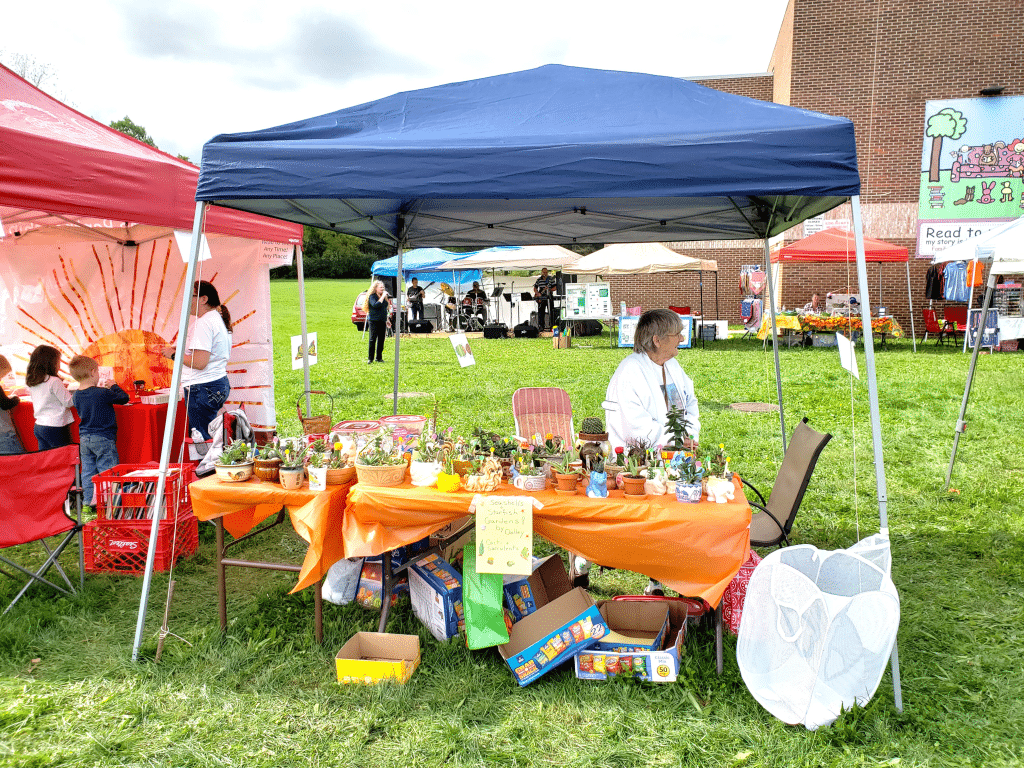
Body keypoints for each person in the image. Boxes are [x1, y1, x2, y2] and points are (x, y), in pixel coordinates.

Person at [587, 309, 701, 595]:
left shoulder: (673, 367)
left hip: (672, 455)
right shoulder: (630, 371)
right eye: (677, 334)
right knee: (642, 522)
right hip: (634, 461)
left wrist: (688, 435)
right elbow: (635, 426)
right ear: (657, 340)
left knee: (668, 519)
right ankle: (586, 559)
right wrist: (676, 440)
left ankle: (657, 576)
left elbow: (689, 404)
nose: (682, 338)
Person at [161, 280, 232, 440]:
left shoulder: (204, 323)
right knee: (211, 436)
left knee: (201, 439)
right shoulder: (215, 318)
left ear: (204, 299)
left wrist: (173, 355)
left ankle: (208, 458)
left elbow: (199, 362)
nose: (186, 302)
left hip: (202, 387)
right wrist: (181, 350)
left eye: (190, 296)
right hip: (215, 384)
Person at [69, 355, 129, 509]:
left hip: (85, 438)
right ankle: (111, 505)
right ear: (92, 372)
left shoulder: (76, 395)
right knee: (108, 470)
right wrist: (114, 385)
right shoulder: (101, 393)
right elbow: (124, 398)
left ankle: (88, 504)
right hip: (103, 437)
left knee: (88, 472)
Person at [26, 344, 74, 450]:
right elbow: (69, 402)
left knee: (46, 458)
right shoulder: (54, 381)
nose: (59, 365)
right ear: (51, 362)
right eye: (58, 361)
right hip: (55, 426)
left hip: (39, 426)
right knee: (63, 456)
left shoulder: (32, 380)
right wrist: (78, 393)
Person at [0, 354, 26, 455]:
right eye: (2, 375)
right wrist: (16, 399)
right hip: (4, 433)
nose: (2, 378)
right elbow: (5, 404)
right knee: (18, 459)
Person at [366, 280, 393, 364]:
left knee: (381, 339)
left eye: (383, 287)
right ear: (376, 288)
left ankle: (379, 357)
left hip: (382, 320)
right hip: (374, 320)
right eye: (380, 287)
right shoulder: (372, 296)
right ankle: (370, 358)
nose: (382, 289)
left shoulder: (384, 297)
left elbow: (384, 309)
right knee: (372, 339)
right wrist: (383, 296)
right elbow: (375, 305)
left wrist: (387, 320)